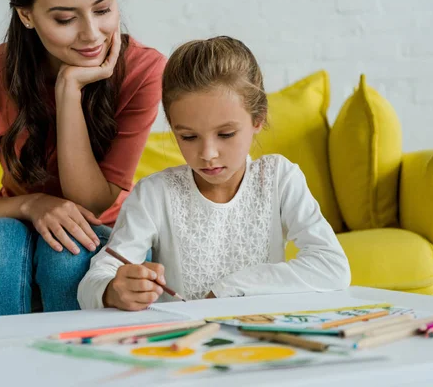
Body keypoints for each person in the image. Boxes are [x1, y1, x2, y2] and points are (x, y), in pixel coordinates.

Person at [78, 36, 351, 311]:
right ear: (173, 127)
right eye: (188, 136)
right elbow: (94, 281)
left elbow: (332, 266)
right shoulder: (154, 194)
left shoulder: (279, 178)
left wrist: (230, 289)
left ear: (258, 119)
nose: (208, 153)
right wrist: (113, 291)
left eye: (225, 134)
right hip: (182, 345)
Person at [0, 0, 166, 316]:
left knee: (66, 254)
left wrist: (68, 89)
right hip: (17, 229)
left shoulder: (143, 70)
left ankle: (80, 366)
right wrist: (32, 204)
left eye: (103, 10)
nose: (92, 35)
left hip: (105, 231)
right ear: (26, 15)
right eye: (66, 19)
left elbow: (91, 203)